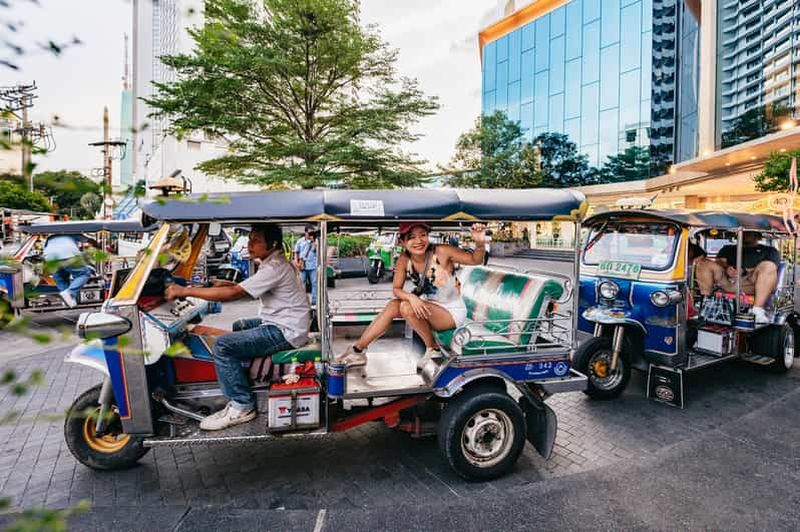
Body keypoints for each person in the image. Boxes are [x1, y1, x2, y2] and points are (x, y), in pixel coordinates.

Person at [165, 223, 310, 431]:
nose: (250, 244)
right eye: (250, 239)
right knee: (239, 325)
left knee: (223, 346)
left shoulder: (274, 267)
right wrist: (215, 284)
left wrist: (184, 291)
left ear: (273, 244)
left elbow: (235, 294)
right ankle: (244, 377)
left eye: (256, 240)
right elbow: (241, 286)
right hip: (283, 323)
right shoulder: (271, 262)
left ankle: (242, 404)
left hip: (285, 331)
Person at [337, 222, 487, 370]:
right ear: (402, 241)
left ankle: (432, 347)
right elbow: (396, 289)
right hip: (430, 306)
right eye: (411, 237)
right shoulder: (404, 259)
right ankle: (358, 350)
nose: (418, 241)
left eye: (423, 235)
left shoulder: (442, 251)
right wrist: (412, 297)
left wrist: (480, 243)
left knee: (406, 307)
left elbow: (475, 259)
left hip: (452, 312)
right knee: (393, 305)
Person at [694, 232, 779, 324]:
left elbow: (771, 268)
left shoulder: (769, 250)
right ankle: (706, 303)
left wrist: (744, 271)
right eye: (743, 232)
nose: (745, 233)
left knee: (768, 266)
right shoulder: (728, 248)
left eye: (748, 231)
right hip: (728, 282)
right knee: (703, 263)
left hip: (751, 283)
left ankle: (757, 310)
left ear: (757, 235)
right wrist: (727, 268)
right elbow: (719, 263)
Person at [43, 234, 97, 308]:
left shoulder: (51, 236)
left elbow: (45, 248)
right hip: (68, 254)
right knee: (84, 273)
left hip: (50, 257)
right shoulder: (71, 231)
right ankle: (70, 293)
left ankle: (67, 300)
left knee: (61, 279)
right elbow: (89, 240)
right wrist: (97, 245)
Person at [293, 226, 318, 305]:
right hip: (303, 265)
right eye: (309, 233)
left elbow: (316, 251)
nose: (311, 234)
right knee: (301, 283)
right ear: (305, 232)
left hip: (313, 265)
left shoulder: (315, 241)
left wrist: (314, 242)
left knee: (314, 283)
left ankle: (314, 300)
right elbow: (296, 252)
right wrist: (296, 262)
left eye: (312, 233)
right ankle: (303, 301)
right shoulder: (300, 241)